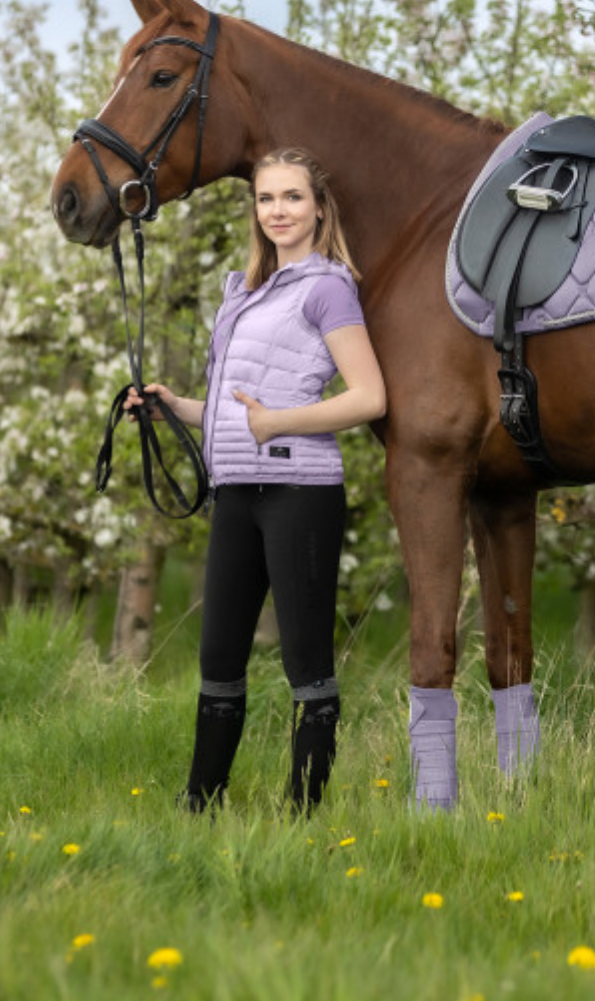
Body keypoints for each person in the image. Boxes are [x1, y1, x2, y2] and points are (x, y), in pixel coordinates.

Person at [127, 146, 386, 813]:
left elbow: (369, 397)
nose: (278, 210)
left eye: (293, 197)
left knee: (306, 664)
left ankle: (303, 816)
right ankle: (199, 806)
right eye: (266, 198)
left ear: (319, 208)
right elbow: (235, 407)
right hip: (237, 492)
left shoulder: (328, 288)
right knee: (218, 659)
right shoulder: (241, 291)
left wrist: (280, 423)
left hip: (301, 493)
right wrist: (172, 406)